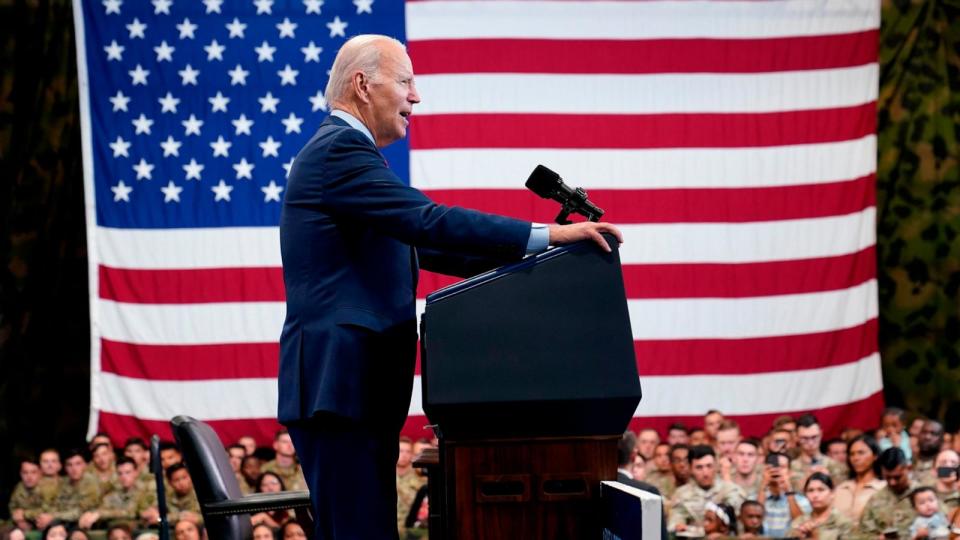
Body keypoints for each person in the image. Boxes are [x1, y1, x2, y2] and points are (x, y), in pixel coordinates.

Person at [278, 33, 622, 540]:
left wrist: (543, 259)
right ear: (363, 85)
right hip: (341, 387)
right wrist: (547, 233)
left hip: (353, 391)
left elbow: (423, 247)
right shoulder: (339, 152)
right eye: (406, 82)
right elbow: (428, 221)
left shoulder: (347, 155)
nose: (416, 96)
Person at [668, 445, 745, 533]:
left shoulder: (732, 491)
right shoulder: (681, 495)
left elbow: (741, 526)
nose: (705, 473)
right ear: (690, 468)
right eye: (699, 467)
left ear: (716, 465)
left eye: (709, 466)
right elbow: (675, 526)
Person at [859, 447, 919, 538]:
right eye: (887, 477)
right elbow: (863, 532)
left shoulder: (924, 494)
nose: (892, 482)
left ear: (908, 468)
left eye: (897, 477)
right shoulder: (876, 500)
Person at [758, 452, 811, 538]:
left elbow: (801, 523)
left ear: (790, 472)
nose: (777, 471)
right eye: (774, 466)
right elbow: (755, 520)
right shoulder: (755, 497)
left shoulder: (802, 501)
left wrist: (788, 491)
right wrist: (763, 485)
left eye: (782, 467)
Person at [833, 434, 885, 522]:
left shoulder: (882, 488)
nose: (856, 458)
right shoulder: (841, 488)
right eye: (852, 454)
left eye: (861, 453)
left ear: (875, 456)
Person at [788, 472, 854, 539]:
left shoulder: (843, 523)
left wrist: (814, 537)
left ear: (832, 493)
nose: (815, 495)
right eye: (810, 490)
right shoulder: (799, 522)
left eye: (821, 490)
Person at [791, 414, 845, 491]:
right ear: (796, 437)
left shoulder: (836, 466)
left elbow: (843, 494)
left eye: (814, 437)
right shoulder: (789, 467)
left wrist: (828, 480)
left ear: (821, 434)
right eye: (805, 438)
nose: (810, 443)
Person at [8, 457, 45, 531]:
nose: (29, 477)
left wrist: (25, 514)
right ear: (21, 474)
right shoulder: (19, 487)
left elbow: (48, 510)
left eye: (33, 472)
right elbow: (12, 506)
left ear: (40, 473)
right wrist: (19, 521)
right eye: (25, 472)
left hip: (41, 525)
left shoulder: (47, 488)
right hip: (20, 524)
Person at [917, 421, 946, 486]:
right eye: (924, 432)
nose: (927, 437)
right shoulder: (907, 460)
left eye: (934, 434)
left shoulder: (945, 465)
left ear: (941, 439)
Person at [933, 449, 960, 514]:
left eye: (954, 463)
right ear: (934, 471)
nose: (948, 466)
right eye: (943, 463)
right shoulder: (924, 495)